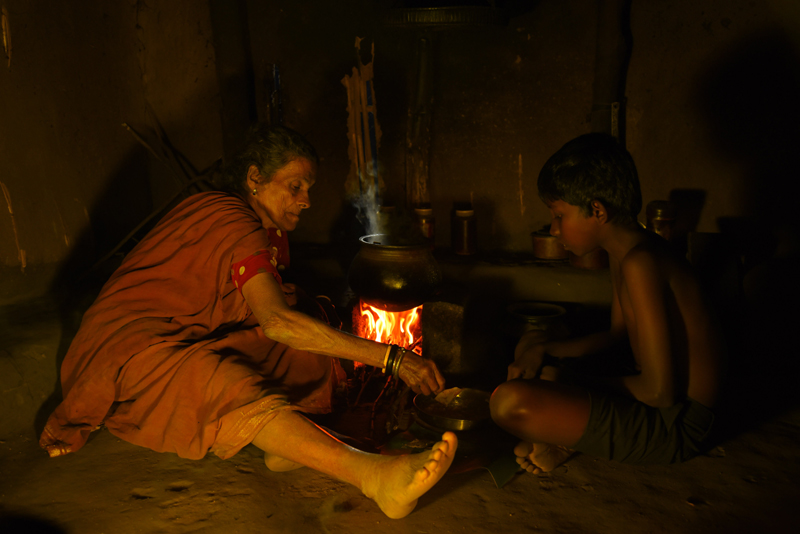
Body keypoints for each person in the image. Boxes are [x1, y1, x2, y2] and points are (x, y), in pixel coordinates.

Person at [39, 124, 457, 519]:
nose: (306, 200)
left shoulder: (261, 230)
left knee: (301, 351)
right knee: (221, 375)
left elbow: (259, 316)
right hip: (129, 352)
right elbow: (275, 321)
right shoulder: (230, 217)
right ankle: (372, 476)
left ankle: (289, 441)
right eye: (295, 186)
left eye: (308, 189)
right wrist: (394, 359)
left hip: (181, 337)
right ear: (254, 178)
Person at [490, 133, 724, 473]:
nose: (554, 230)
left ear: (596, 210)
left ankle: (564, 437)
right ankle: (563, 436)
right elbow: (618, 336)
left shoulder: (641, 262)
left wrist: (569, 381)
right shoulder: (626, 253)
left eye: (559, 215)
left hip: (679, 424)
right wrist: (546, 350)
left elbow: (660, 393)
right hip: (655, 398)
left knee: (508, 404)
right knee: (532, 344)